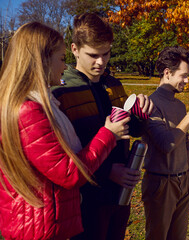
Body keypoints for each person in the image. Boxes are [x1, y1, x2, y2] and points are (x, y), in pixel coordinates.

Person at [0, 22, 130, 239]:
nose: (63, 67)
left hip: (45, 220)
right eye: (61, 59)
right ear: (41, 60)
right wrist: (109, 134)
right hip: (40, 226)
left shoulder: (40, 103)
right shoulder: (29, 110)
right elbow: (68, 173)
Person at [51, 13, 153, 240]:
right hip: (83, 199)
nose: (101, 62)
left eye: (106, 53)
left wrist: (141, 114)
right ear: (74, 49)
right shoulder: (60, 91)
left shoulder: (113, 84)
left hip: (120, 195)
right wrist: (108, 172)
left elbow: (132, 130)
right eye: (93, 55)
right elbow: (59, 155)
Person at [141, 46, 189, 240]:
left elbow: (184, 142)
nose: (187, 81)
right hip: (161, 184)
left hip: (183, 181)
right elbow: (166, 144)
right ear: (167, 73)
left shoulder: (178, 104)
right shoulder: (150, 104)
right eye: (183, 76)